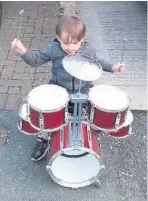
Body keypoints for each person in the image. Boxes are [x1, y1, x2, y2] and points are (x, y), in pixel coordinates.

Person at [11, 16, 125, 162]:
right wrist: (23, 51)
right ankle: (43, 140)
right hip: (59, 90)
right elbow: (36, 60)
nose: (70, 48)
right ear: (58, 38)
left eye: (75, 43)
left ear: (82, 38)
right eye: (65, 43)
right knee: (46, 118)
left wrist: (114, 67)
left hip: (83, 91)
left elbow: (99, 62)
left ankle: (88, 138)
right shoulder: (54, 49)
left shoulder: (87, 50)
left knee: (87, 118)